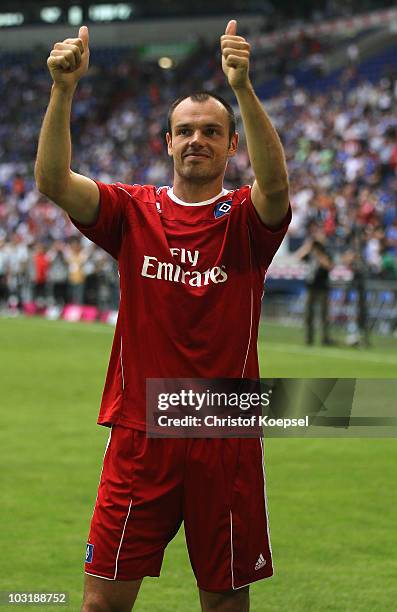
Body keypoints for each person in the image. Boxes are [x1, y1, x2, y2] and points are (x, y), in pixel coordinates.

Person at [35, 20, 291, 612]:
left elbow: (276, 185)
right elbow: (52, 180)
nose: (196, 139)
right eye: (184, 131)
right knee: (100, 603)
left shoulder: (246, 221)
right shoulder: (131, 211)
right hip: (140, 432)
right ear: (167, 144)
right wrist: (63, 90)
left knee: (224, 603)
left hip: (223, 431)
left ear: (232, 146)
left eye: (210, 131)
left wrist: (244, 89)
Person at [296, 221, 333, 346]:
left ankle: (325, 338)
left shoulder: (326, 251)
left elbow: (329, 266)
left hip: (323, 287)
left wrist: (319, 253)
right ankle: (308, 339)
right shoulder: (310, 251)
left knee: (323, 315)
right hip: (310, 286)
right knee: (308, 315)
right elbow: (298, 257)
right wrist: (308, 246)